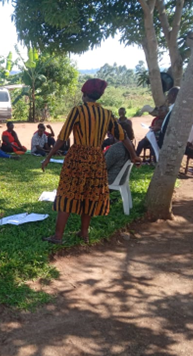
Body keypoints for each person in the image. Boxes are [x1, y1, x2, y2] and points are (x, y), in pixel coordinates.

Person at [41, 79, 141, 244]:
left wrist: (49, 156)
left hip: (77, 156)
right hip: (96, 158)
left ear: (84, 94)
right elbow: (123, 136)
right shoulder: (107, 114)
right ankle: (84, 233)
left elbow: (62, 137)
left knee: (67, 193)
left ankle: (58, 236)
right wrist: (134, 155)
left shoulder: (77, 111)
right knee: (90, 193)